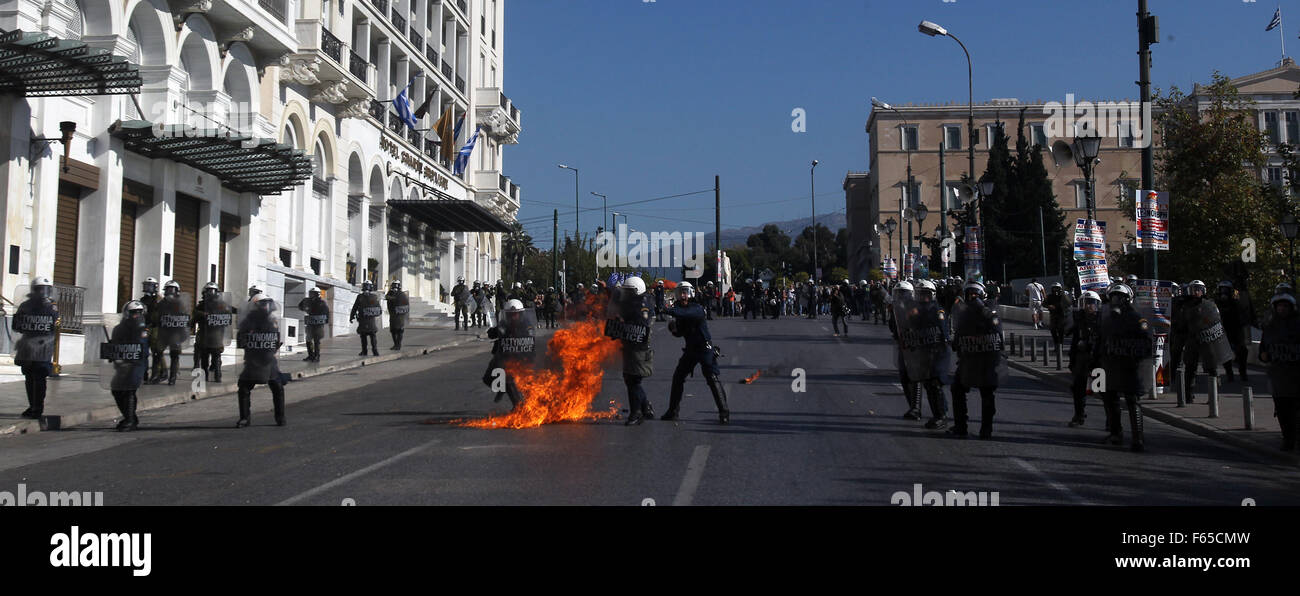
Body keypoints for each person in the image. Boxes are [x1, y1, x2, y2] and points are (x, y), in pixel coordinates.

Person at [1096, 284, 1153, 452]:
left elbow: (1146, 341)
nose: (1116, 301)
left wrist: (1135, 357)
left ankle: (1138, 438)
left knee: (1132, 400)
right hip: (1111, 364)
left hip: (1130, 365)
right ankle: (1116, 433)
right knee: (1110, 399)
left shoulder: (1137, 318)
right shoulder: (1107, 319)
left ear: (1127, 299)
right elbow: (1100, 341)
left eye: (1119, 297)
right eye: (1113, 297)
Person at [663, 282, 729, 424]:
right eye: (680, 292)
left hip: (704, 348)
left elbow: (687, 314)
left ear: (691, 293)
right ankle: (673, 411)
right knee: (678, 377)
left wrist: (668, 310)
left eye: (685, 292)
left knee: (712, 378)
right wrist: (674, 330)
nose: (682, 295)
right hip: (691, 349)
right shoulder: (679, 310)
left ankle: (724, 412)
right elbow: (681, 332)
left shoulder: (697, 308)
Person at [949, 281, 1005, 439]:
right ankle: (961, 425)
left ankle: (986, 429)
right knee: (957, 388)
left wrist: (984, 312)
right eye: (969, 294)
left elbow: (997, 332)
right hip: (969, 357)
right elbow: (959, 332)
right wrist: (956, 343)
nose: (972, 297)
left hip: (986, 359)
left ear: (981, 295)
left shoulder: (989, 310)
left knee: (987, 393)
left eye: (975, 294)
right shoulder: (963, 313)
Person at [896, 280, 951, 429]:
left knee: (935, 383)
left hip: (938, 352)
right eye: (921, 294)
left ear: (932, 295)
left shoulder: (937, 311)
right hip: (924, 352)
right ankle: (937, 415)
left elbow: (943, 335)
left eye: (926, 294)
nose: (924, 298)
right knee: (929, 384)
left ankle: (942, 415)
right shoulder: (917, 311)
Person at [1175, 280, 1233, 403]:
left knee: (1212, 368)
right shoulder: (1186, 306)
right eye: (1194, 289)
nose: (1196, 292)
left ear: (1203, 291)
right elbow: (1181, 325)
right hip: (1192, 340)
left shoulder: (1209, 305)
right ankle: (1188, 395)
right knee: (1190, 368)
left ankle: (1214, 396)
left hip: (1208, 339)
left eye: (1198, 289)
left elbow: (1216, 320)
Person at [610, 277, 656, 425]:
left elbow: (640, 326)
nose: (627, 294)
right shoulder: (636, 302)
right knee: (632, 379)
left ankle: (636, 413)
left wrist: (621, 326)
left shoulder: (640, 306)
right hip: (631, 346)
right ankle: (645, 407)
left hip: (638, 348)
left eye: (629, 291)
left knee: (633, 380)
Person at [235, 294, 286, 427]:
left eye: (266, 304)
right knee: (244, 387)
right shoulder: (248, 321)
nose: (265, 307)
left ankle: (280, 417)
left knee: (277, 386)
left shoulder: (272, 321)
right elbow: (241, 341)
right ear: (255, 306)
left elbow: (276, 340)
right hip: (253, 360)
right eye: (262, 304)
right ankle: (245, 418)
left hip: (269, 361)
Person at [1259, 292, 1300, 451]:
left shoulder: (1297, 324)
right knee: (1283, 410)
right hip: (1278, 374)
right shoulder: (1270, 327)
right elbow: (1263, 349)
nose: (1282, 309)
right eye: (1280, 306)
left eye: (1285, 306)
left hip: (1296, 373)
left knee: (1297, 410)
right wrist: (1264, 355)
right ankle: (1288, 439)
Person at [12, 277, 58, 419]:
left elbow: (53, 327)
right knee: (29, 377)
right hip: (27, 347)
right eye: (39, 289)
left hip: (43, 347)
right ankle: (32, 405)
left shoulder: (51, 307)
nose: (42, 292)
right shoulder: (25, 306)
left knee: (39, 377)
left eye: (45, 289)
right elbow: (16, 325)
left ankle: (38, 407)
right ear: (34, 290)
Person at [103, 301, 150, 431]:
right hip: (122, 365)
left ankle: (130, 420)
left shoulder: (142, 330)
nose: (137, 316)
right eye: (134, 313)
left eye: (139, 313)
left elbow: (142, 349)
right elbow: (116, 344)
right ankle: (130, 417)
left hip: (136, 365)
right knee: (117, 389)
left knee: (129, 389)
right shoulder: (119, 328)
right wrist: (112, 350)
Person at [484, 299, 535, 410]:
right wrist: (495, 330)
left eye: (515, 314)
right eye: (511, 315)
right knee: (487, 378)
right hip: (502, 355)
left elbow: (530, 342)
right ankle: (502, 389)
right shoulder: (503, 323)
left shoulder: (526, 325)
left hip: (520, 357)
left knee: (508, 378)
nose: (513, 317)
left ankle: (519, 406)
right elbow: (492, 334)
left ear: (520, 314)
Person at [1066, 291, 1102, 427]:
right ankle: (1079, 415)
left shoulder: (1101, 321)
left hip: (1097, 360)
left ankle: (1111, 422)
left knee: (1103, 391)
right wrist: (1072, 360)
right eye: (1086, 303)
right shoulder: (1079, 320)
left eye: (1091, 303)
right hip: (1081, 360)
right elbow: (1073, 340)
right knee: (1078, 388)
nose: (1088, 306)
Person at [887, 281, 920, 419]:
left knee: (916, 377)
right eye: (899, 293)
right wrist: (892, 313)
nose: (901, 296)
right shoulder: (895, 308)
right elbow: (893, 328)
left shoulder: (915, 308)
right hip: (902, 344)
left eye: (904, 294)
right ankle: (911, 406)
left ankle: (916, 408)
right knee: (903, 376)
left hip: (915, 346)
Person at [149, 280, 190, 386]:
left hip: (176, 333)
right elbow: (155, 317)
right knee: (157, 352)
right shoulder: (161, 303)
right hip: (164, 332)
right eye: (168, 289)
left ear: (177, 291)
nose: (170, 292)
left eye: (172, 289)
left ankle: (173, 377)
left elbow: (186, 317)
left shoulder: (180, 303)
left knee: (174, 355)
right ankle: (155, 375)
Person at [192, 282, 234, 382]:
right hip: (205, 334)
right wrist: (203, 315)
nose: (210, 294)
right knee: (207, 356)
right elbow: (195, 316)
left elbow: (228, 318)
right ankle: (208, 375)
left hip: (215, 334)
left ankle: (216, 375)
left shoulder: (221, 306)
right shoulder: (201, 306)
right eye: (209, 292)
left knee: (214, 356)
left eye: (212, 291)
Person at [1215, 281, 1248, 382]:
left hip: (1236, 330)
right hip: (1222, 330)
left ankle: (1243, 372)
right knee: (1224, 353)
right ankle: (1229, 372)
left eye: (1226, 290)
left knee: (1242, 351)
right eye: (1222, 289)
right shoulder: (1216, 303)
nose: (1224, 292)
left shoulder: (1236, 303)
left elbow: (1242, 316)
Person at [350, 280, 382, 356]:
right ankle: (375, 351)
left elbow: (355, 308)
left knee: (364, 336)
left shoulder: (360, 297)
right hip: (370, 320)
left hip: (363, 320)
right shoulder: (374, 297)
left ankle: (365, 351)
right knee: (372, 335)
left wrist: (351, 317)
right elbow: (379, 310)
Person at [297, 287, 329, 362]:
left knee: (316, 340)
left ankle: (317, 356)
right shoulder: (307, 300)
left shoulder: (321, 302)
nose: (311, 295)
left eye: (313, 293)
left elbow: (326, 312)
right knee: (308, 339)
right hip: (310, 322)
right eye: (311, 293)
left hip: (318, 324)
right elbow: (300, 306)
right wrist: (306, 308)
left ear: (317, 294)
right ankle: (310, 355)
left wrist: (325, 320)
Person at [1044, 282, 1073, 347]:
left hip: (1061, 314)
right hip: (1053, 315)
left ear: (1060, 289)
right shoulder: (1049, 296)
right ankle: (1056, 343)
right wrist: (1049, 306)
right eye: (1054, 288)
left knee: (1060, 330)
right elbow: (1044, 303)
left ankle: (1060, 345)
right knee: (1052, 330)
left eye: (1057, 288)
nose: (1055, 290)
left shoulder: (1063, 295)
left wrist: (1064, 297)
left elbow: (1069, 303)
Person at [386, 280, 409, 350]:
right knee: (395, 330)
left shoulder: (400, 294)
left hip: (397, 315)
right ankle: (397, 345)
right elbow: (386, 297)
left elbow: (406, 304)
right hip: (396, 315)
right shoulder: (393, 293)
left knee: (397, 330)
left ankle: (397, 345)